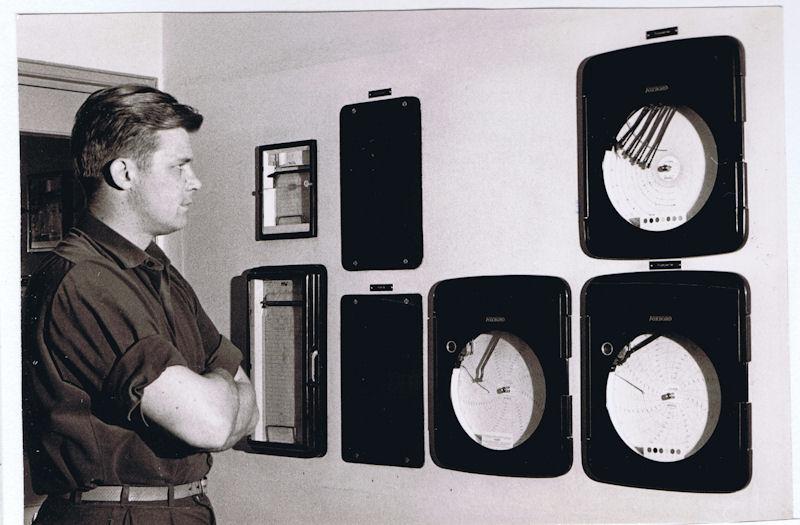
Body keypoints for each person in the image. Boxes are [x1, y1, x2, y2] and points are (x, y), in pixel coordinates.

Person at [22, 84, 258, 524]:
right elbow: (214, 424)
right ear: (124, 173)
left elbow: (244, 412)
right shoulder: (84, 281)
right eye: (179, 166)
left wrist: (219, 394)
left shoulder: (156, 269)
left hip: (180, 509)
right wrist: (222, 387)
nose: (195, 181)